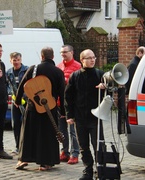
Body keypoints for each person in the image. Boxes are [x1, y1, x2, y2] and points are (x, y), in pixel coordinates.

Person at [14, 47, 65, 171]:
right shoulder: (58, 72)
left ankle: (23, 159)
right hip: (50, 107)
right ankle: (46, 163)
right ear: (52, 57)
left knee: (28, 133)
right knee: (47, 135)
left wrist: (17, 100)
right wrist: (63, 111)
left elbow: (22, 85)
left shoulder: (33, 69)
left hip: (33, 106)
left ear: (41, 56)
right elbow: (62, 94)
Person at [64, 49, 106, 180]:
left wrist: (105, 87)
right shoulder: (75, 76)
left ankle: (101, 169)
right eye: (89, 58)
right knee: (83, 146)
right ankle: (88, 169)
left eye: (94, 57)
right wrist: (69, 115)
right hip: (80, 117)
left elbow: (110, 94)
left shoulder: (100, 74)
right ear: (82, 60)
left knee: (98, 144)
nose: (93, 60)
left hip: (95, 117)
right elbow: (68, 96)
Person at [57, 44, 81, 164]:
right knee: (62, 130)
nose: (63, 54)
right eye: (61, 52)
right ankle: (64, 152)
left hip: (73, 104)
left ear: (72, 52)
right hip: (60, 104)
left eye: (65, 52)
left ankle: (75, 153)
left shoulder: (78, 67)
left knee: (73, 130)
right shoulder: (59, 66)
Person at [6, 52, 28, 154]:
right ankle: (17, 146)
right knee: (16, 124)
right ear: (11, 61)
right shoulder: (8, 72)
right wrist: (11, 95)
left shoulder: (26, 70)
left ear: (21, 60)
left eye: (18, 60)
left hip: (26, 101)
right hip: (15, 102)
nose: (16, 62)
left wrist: (24, 96)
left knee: (26, 123)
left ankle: (27, 146)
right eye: (14, 60)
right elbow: (7, 87)